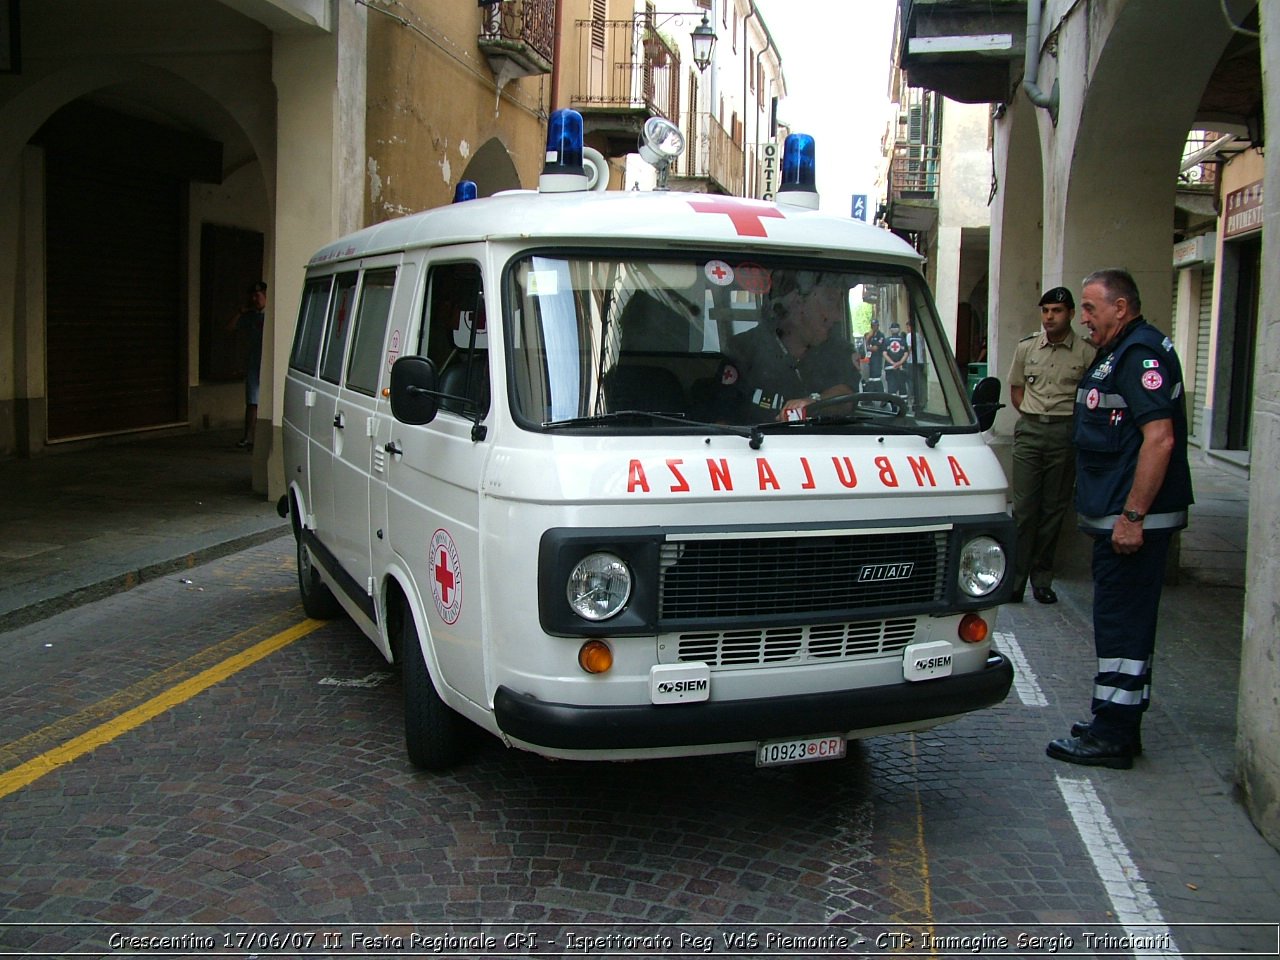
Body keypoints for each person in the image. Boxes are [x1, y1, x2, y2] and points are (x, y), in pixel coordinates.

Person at [1046, 269, 1193, 770]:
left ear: (1121, 308)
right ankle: (1117, 719)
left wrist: (1133, 516)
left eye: (1090, 308)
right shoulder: (1119, 352)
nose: (1082, 318)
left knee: (1121, 625)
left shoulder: (1140, 355)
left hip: (1131, 524)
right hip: (1118, 515)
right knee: (1121, 625)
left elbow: (1160, 439)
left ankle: (1112, 734)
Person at [1007, 286, 1095, 604]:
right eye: (1045, 310)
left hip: (1064, 433)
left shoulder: (1086, 353)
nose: (1049, 317)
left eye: (1056, 311)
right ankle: (1014, 582)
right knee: (1024, 510)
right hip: (1030, 431)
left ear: (1070, 314)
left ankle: (1042, 579)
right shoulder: (1027, 348)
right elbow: (1016, 389)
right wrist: (1033, 417)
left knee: (1053, 511)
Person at [723, 276, 860, 422]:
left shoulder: (838, 350)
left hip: (824, 443)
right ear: (797, 303)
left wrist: (814, 402)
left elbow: (846, 396)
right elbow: (720, 419)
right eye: (831, 301)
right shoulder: (744, 348)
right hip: (755, 442)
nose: (837, 316)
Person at [228, 281, 267, 449]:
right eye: (252, 296)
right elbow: (230, 328)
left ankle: (262, 437)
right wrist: (240, 312)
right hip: (254, 363)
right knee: (252, 402)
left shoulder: (271, 315)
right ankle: (248, 437)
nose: (254, 299)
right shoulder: (251, 316)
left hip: (267, 363)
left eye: (257, 296)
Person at [883, 321, 908, 395]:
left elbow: (884, 354)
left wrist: (892, 363)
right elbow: (906, 354)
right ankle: (903, 404)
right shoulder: (903, 341)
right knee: (902, 388)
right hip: (901, 368)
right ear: (899, 330)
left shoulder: (886, 341)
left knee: (891, 389)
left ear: (891, 330)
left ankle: (893, 405)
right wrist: (899, 363)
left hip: (890, 368)